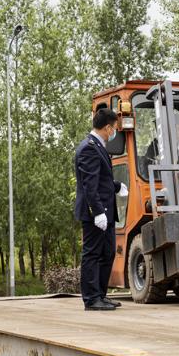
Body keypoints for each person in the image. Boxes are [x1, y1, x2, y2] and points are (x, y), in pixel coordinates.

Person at [74, 108, 128, 311]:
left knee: (107, 253)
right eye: (113, 128)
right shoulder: (89, 148)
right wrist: (97, 211)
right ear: (107, 127)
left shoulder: (98, 146)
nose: (114, 132)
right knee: (92, 254)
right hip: (96, 213)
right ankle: (91, 299)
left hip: (106, 211)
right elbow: (89, 185)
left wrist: (116, 186)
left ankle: (100, 295)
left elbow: (100, 180)